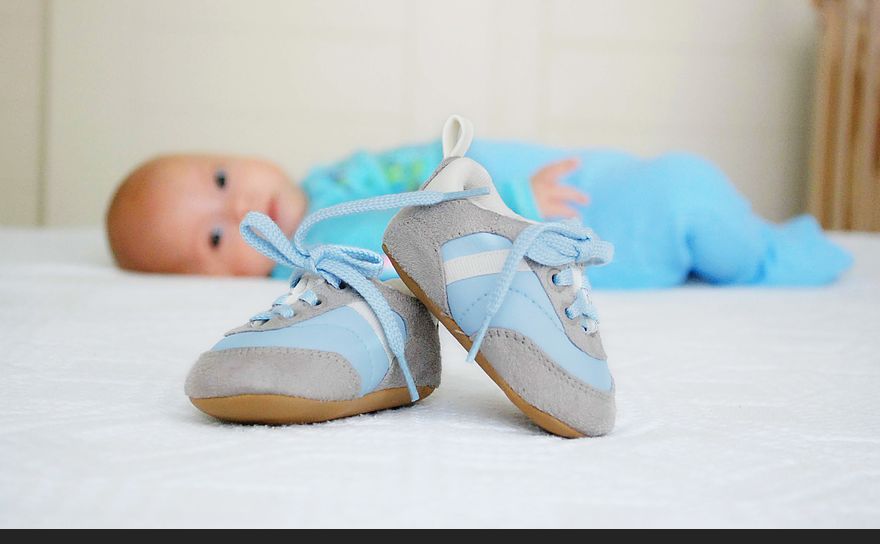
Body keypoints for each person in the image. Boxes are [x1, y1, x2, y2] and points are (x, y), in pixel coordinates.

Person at [106, 139, 851, 288]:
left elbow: (423, 170)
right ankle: (780, 257)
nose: (239, 203)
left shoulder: (332, 179)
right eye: (213, 233)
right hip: (564, 214)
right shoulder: (322, 243)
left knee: (680, 183)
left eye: (221, 176)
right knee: (685, 206)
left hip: (590, 179)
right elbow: (421, 237)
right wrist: (516, 205)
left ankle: (766, 240)